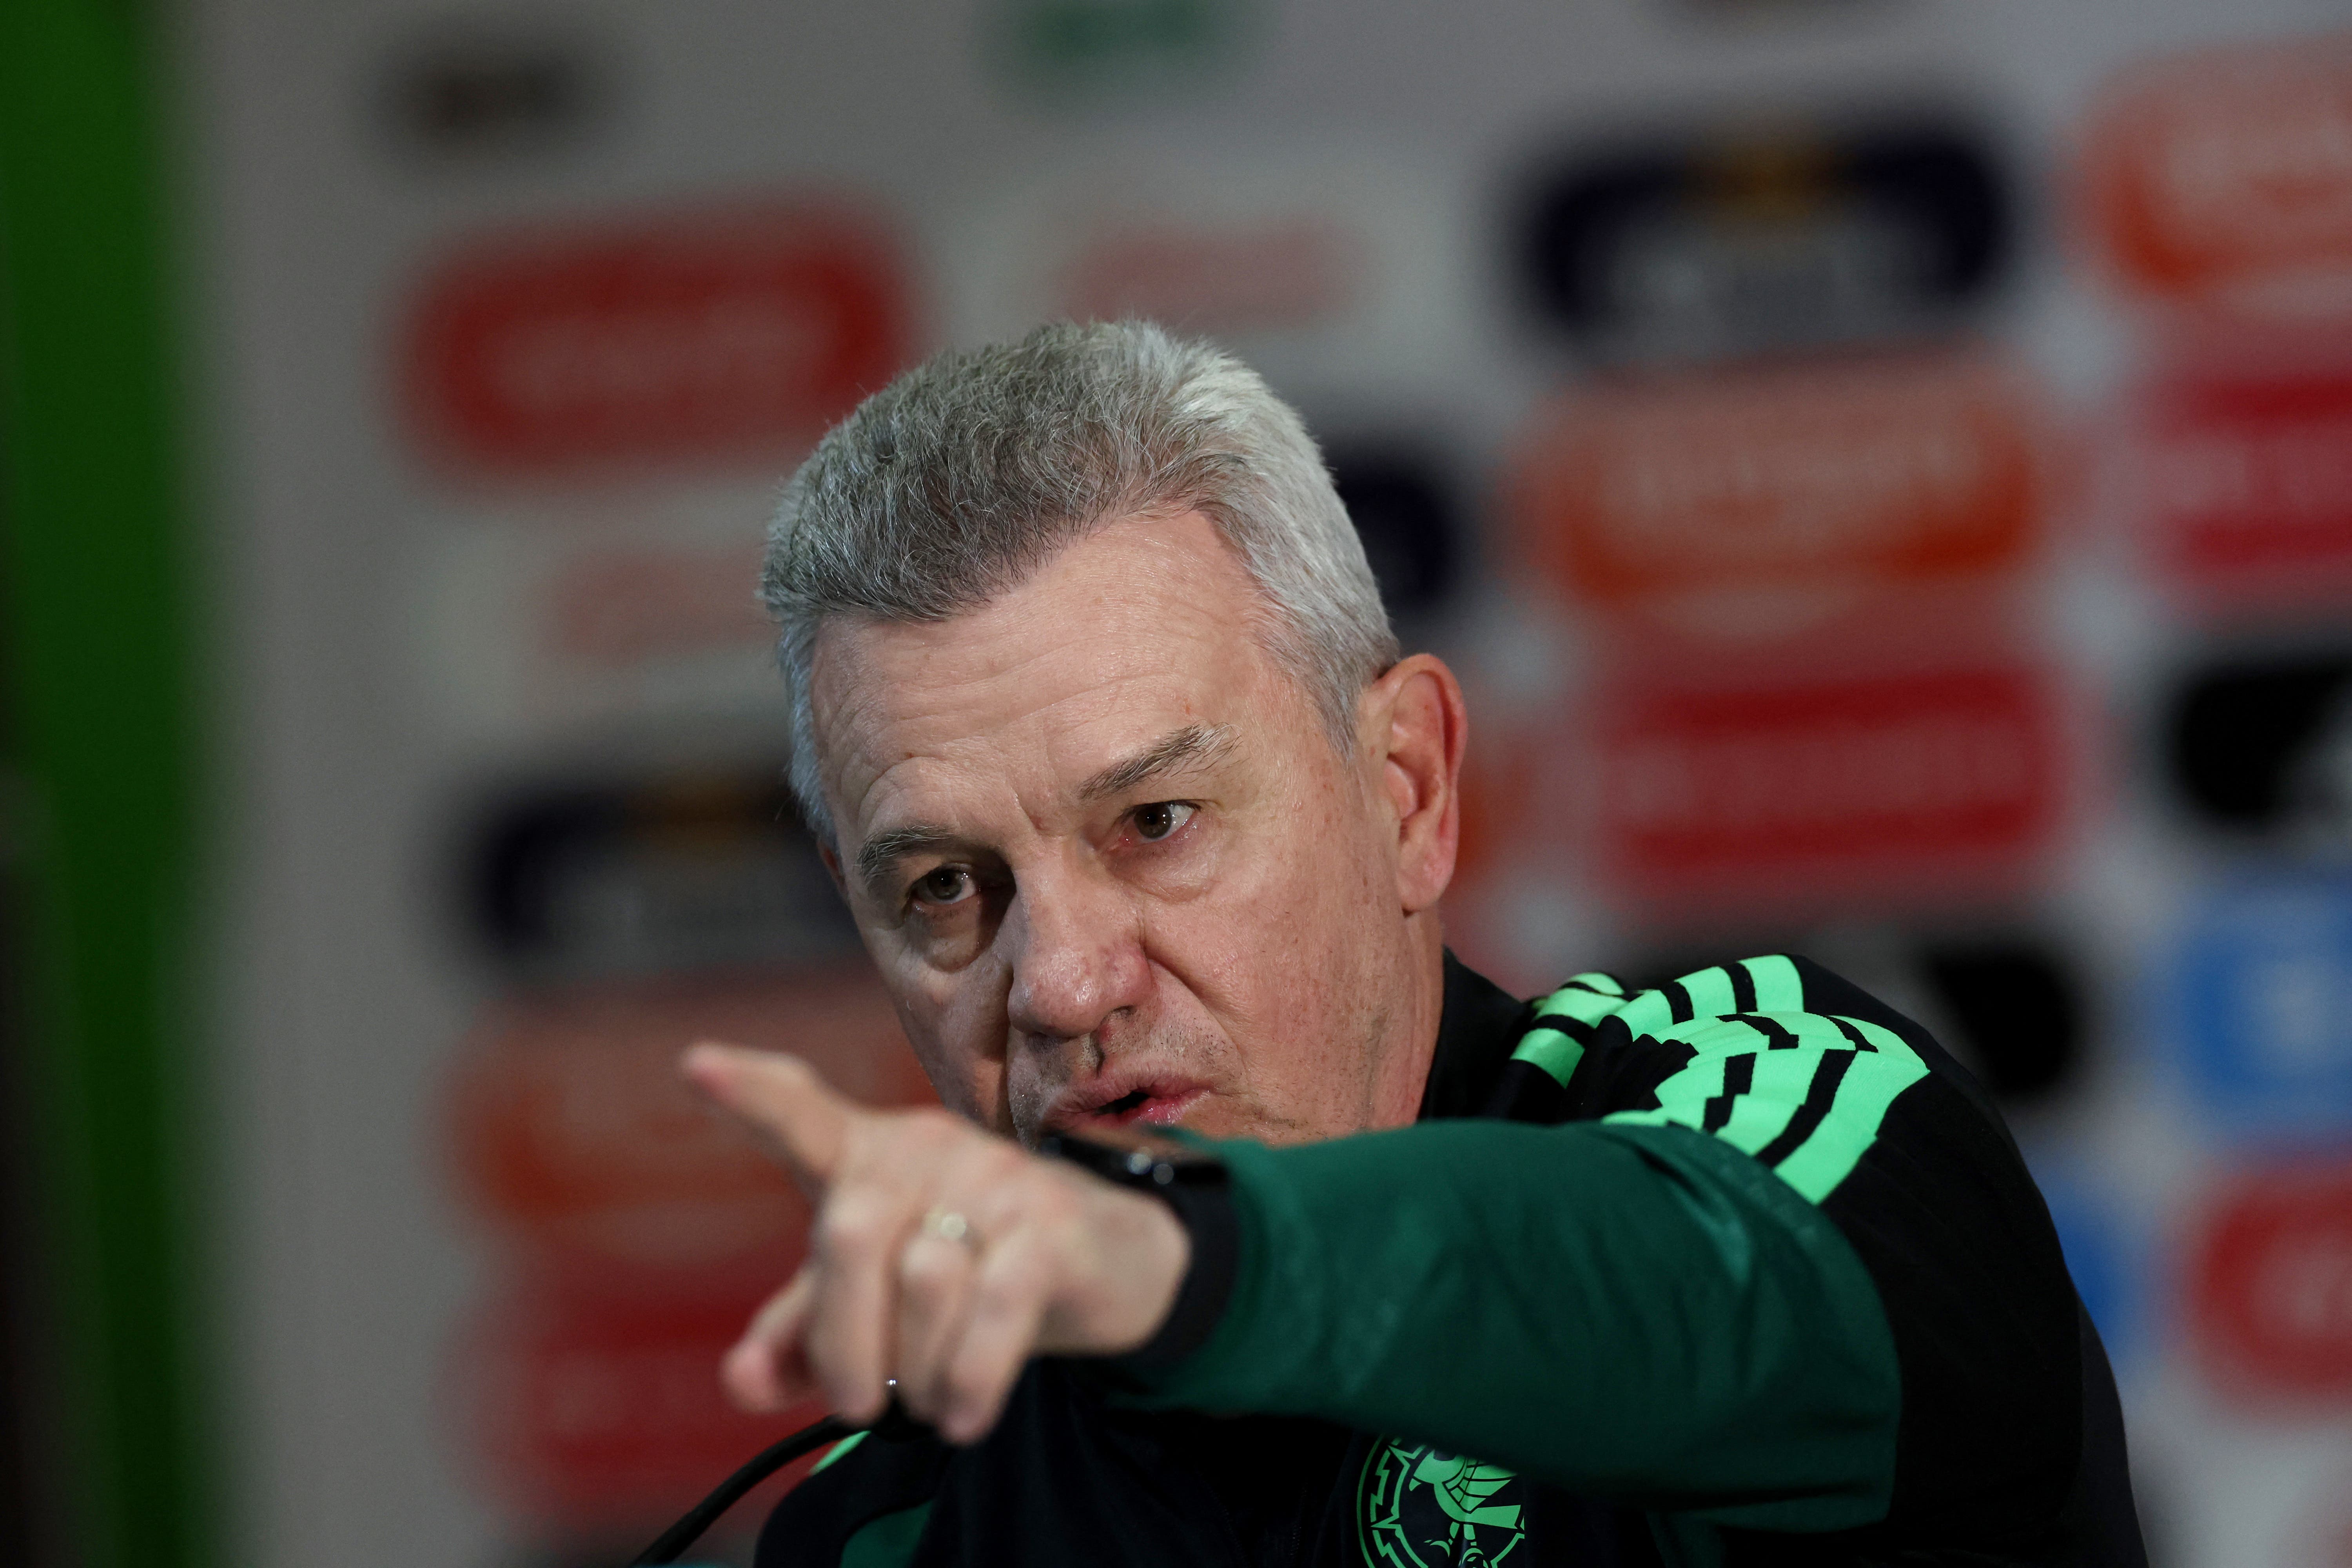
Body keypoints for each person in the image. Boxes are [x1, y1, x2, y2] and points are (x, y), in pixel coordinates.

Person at [679, 320, 2143, 1567]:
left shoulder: (1769, 1120)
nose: (1061, 982)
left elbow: (1729, 1291)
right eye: (946, 888)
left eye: (1158, 820)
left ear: (1408, 789)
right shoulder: (887, 1523)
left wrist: (1169, 1270)